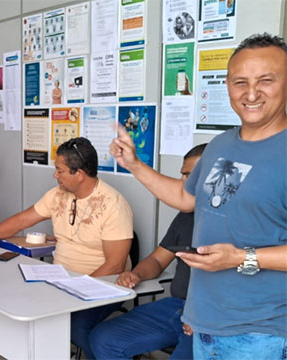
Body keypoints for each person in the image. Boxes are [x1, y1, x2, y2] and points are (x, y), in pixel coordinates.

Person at [110, 33, 286, 359]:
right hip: (205, 322)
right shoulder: (222, 145)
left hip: (261, 332)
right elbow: (187, 197)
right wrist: (134, 164)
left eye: (266, 81)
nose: (250, 93)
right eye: (239, 82)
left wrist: (242, 258)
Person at [0, 137, 133, 359]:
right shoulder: (58, 195)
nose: (55, 175)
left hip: (102, 283)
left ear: (79, 173)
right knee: (15, 300)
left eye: (59, 170)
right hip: (61, 277)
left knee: (78, 328)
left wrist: (74, 290)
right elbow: (23, 220)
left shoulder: (113, 205)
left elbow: (115, 264)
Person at [90, 143, 206, 360]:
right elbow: (158, 260)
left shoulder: (236, 220)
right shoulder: (185, 216)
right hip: (177, 307)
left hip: (211, 317)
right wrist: (137, 274)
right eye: (182, 176)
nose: (182, 184)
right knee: (104, 339)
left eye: (190, 176)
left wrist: (203, 316)